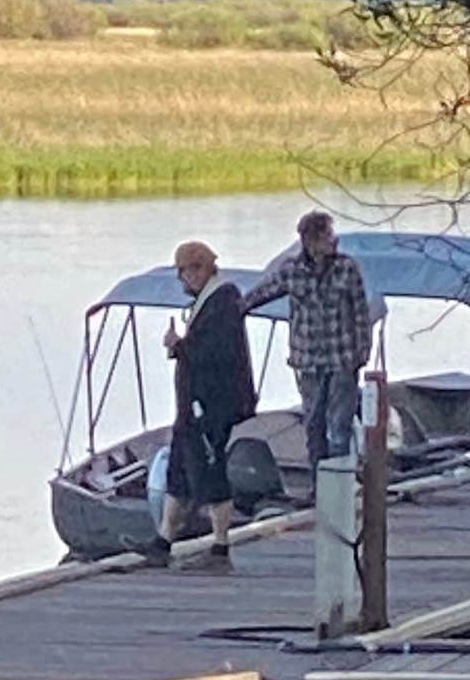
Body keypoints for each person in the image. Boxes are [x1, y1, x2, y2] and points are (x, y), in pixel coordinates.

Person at [246, 207, 377, 463]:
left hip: (343, 359)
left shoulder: (347, 268)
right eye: (328, 236)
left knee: (339, 429)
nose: (334, 240)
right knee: (313, 427)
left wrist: (363, 352)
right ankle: (318, 488)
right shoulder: (291, 270)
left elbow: (362, 313)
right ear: (310, 240)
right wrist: (232, 308)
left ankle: (340, 487)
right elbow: (261, 294)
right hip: (307, 361)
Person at [159, 237, 255, 565]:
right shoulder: (208, 302)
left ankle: (220, 545)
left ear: (199, 269)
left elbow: (217, 352)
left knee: (212, 473)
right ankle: (162, 540)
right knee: (178, 471)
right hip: (192, 407)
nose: (182, 280)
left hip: (212, 406)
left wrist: (181, 345)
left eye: (184, 272)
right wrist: (181, 347)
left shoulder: (223, 301)